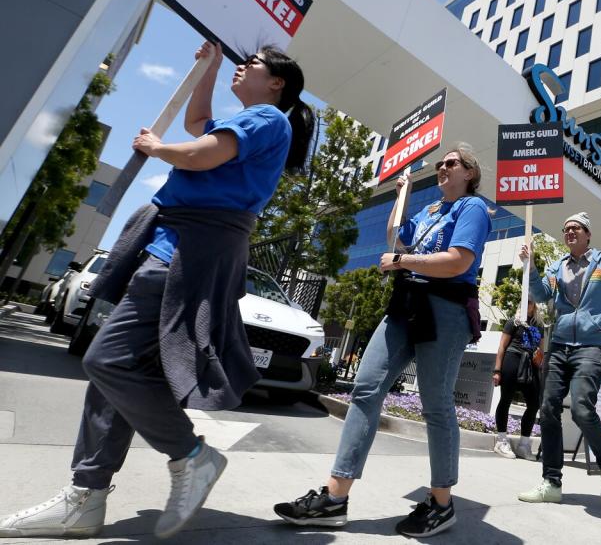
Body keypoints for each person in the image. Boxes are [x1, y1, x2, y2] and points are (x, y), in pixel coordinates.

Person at [0, 41, 313, 539]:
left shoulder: (268, 120)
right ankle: (86, 495)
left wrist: (156, 149)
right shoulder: (254, 122)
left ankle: (191, 455)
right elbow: (199, 125)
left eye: (251, 64)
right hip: (178, 246)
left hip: (185, 253)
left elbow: (200, 153)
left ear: (277, 82)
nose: (242, 66)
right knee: (116, 374)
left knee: (107, 361)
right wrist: (206, 69)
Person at [274, 144, 492, 538]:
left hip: (445, 310)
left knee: (436, 405)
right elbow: (396, 237)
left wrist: (404, 263)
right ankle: (334, 498)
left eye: (452, 163)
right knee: (365, 389)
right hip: (406, 305)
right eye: (441, 163)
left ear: (470, 174)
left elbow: (459, 260)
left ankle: (442, 503)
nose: (443, 167)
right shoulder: (430, 211)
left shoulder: (471, 208)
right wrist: (402, 193)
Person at [517, 212, 601, 506]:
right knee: (547, 409)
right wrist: (530, 268)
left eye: (576, 228)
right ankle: (551, 482)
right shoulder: (558, 266)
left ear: (588, 234)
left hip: (591, 347)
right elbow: (542, 294)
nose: (570, 232)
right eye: (566, 229)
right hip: (558, 345)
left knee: (582, 408)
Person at [492, 298, 545, 460]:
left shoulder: (539, 326)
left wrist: (540, 359)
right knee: (506, 399)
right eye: (524, 301)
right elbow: (502, 346)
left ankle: (524, 444)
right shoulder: (513, 322)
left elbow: (542, 350)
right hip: (512, 359)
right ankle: (501, 440)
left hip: (531, 364)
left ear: (534, 305)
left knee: (534, 403)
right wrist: (497, 370)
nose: (527, 304)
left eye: (530, 302)